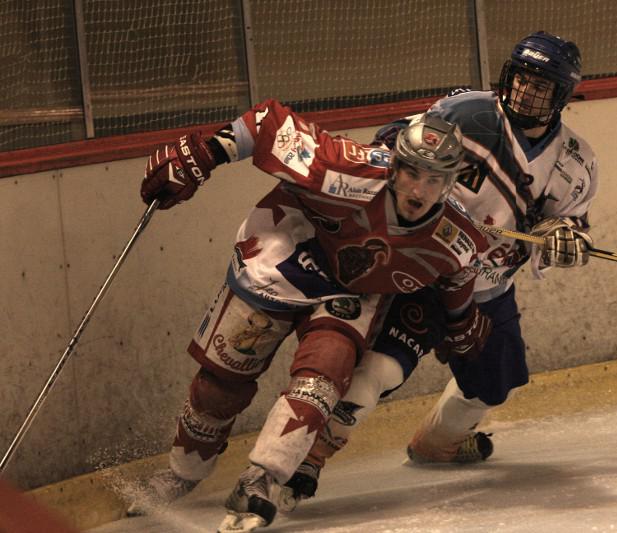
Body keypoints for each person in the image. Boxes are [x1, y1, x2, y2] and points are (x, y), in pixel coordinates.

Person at [129, 101, 491, 531]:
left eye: (434, 179)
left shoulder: (456, 238)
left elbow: (457, 281)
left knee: (326, 374)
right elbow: (265, 124)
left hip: (353, 290)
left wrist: (461, 322)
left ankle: (263, 477)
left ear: (450, 183)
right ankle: (183, 472)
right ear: (394, 168)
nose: (419, 191)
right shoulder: (344, 167)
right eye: (413, 173)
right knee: (219, 387)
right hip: (284, 257)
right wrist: (205, 154)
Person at [282, 30, 598, 507]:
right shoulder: (466, 112)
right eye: (521, 78)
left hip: (488, 288)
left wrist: (565, 236)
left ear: (562, 96)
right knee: (380, 368)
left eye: (540, 85)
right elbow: (393, 146)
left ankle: (437, 443)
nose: (524, 91)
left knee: (494, 384)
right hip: (425, 268)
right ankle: (307, 459)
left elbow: (572, 221)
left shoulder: (577, 161)